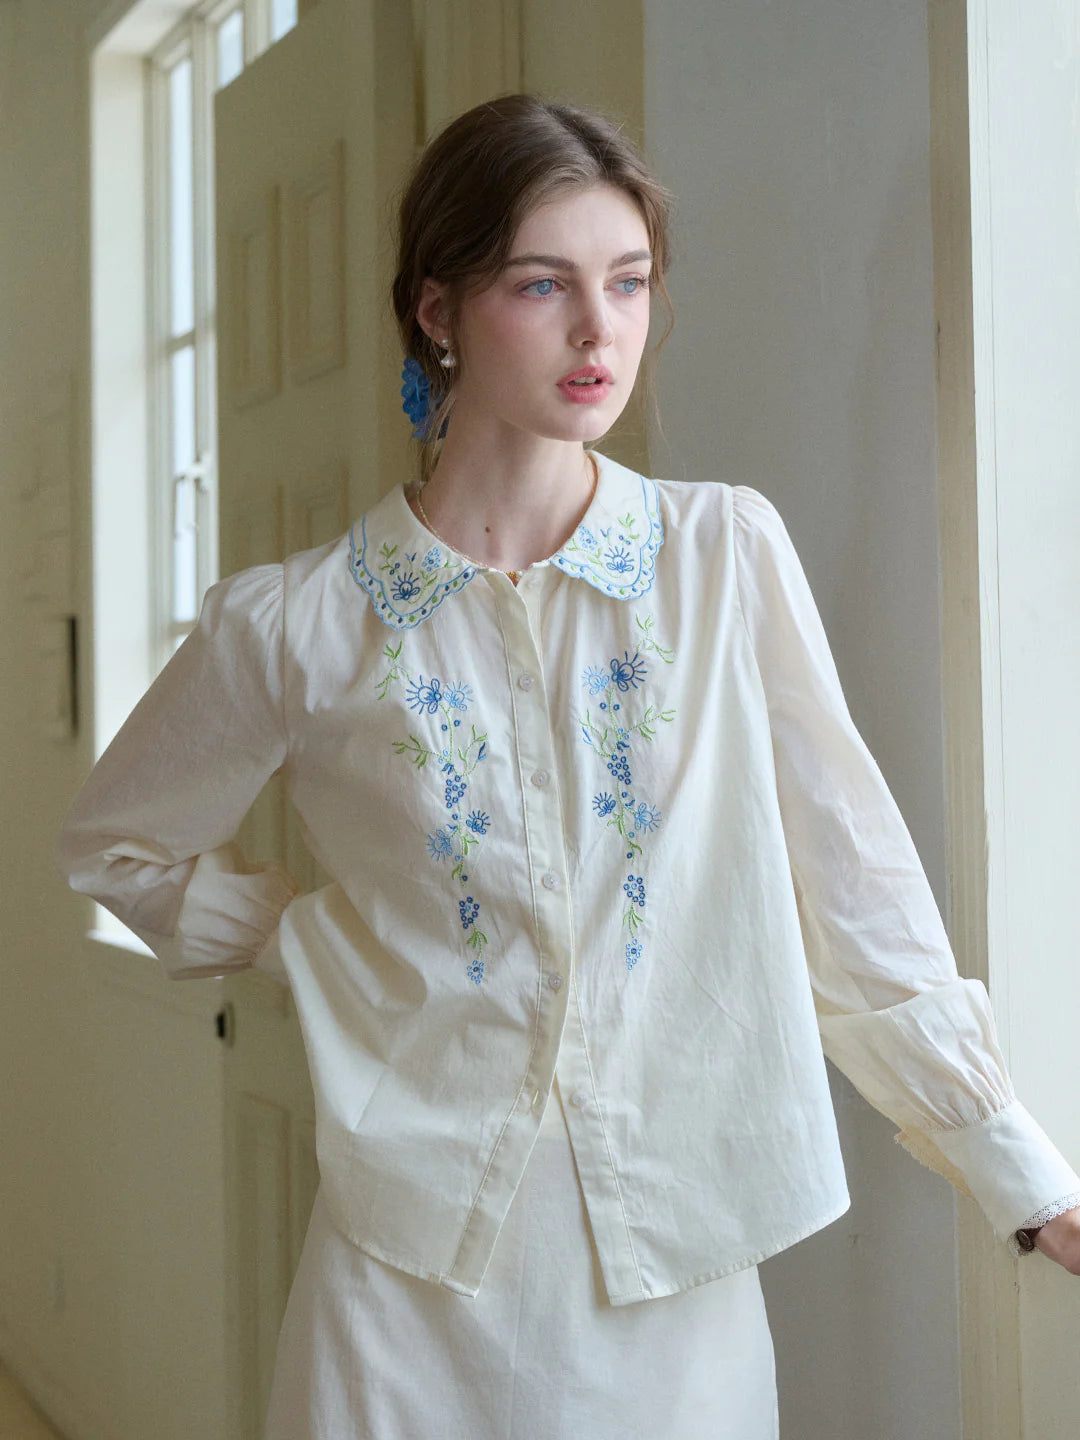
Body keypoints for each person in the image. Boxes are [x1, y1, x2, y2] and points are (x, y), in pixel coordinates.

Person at [55, 93, 1080, 1439]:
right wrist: (308, 939)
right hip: (400, 1291)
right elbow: (117, 850)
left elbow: (855, 890)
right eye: (544, 285)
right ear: (437, 310)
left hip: (674, 1281)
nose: (602, 330)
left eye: (630, 282)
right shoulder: (297, 622)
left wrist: (1021, 1174)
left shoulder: (721, 559)